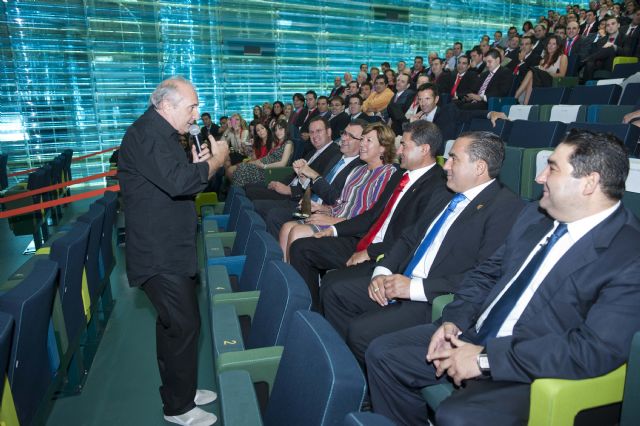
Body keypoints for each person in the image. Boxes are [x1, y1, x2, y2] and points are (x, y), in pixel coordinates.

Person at [365, 130, 640, 426]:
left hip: (528, 364)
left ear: (589, 183)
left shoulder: (628, 255)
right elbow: (486, 274)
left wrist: (485, 359)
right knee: (382, 354)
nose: (539, 177)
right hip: (474, 331)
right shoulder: (535, 216)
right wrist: (453, 322)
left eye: (553, 167)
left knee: (456, 417)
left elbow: (592, 350)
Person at [321, 132, 524, 364]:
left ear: (479, 167)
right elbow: (409, 238)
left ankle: (361, 387)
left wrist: (414, 288)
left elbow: (483, 275)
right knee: (335, 291)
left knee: (360, 332)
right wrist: (383, 271)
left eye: (454, 159)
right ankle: (341, 368)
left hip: (433, 298)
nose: (445, 165)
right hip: (401, 278)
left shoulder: (505, 208)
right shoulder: (445, 192)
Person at [118, 76, 229, 426]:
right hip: (158, 251)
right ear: (165, 105)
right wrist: (216, 161)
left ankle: (182, 389)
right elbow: (181, 183)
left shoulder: (163, 135)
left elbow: (181, 184)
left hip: (172, 245)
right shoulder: (147, 135)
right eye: (191, 106)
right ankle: (178, 409)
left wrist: (199, 164)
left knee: (172, 325)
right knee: (183, 325)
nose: (196, 114)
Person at [289, 120, 450, 310]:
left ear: (424, 149)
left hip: (387, 252)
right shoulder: (401, 175)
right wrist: (333, 230)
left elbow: (412, 237)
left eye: (404, 146)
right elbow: (372, 215)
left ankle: (317, 321)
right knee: (301, 247)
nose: (398, 152)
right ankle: (307, 310)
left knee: (332, 284)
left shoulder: (437, 186)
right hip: (365, 239)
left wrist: (369, 252)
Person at [278, 122, 398, 260]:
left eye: (368, 140)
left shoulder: (388, 174)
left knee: (296, 232)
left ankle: (293, 279)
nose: (362, 144)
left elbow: (371, 215)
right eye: (362, 139)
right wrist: (325, 209)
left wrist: (333, 220)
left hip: (350, 228)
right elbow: (341, 202)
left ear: (383, 148)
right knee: (286, 229)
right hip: (336, 216)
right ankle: (285, 276)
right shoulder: (357, 170)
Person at [230, 119, 294, 187]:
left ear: (286, 129)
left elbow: (283, 163)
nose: (278, 132)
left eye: (280, 129)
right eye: (276, 130)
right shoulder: (277, 143)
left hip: (271, 171)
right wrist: (257, 162)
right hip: (263, 166)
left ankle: (238, 193)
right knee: (240, 168)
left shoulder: (288, 143)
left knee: (242, 170)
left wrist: (264, 166)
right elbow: (267, 157)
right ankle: (237, 192)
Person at [514, 35, 568, 105]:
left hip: (551, 82)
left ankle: (515, 97)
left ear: (558, 46)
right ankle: (525, 104)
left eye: (554, 44)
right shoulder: (542, 60)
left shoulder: (562, 57)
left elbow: (562, 75)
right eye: (549, 43)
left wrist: (546, 72)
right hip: (539, 82)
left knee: (532, 72)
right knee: (532, 74)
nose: (550, 46)